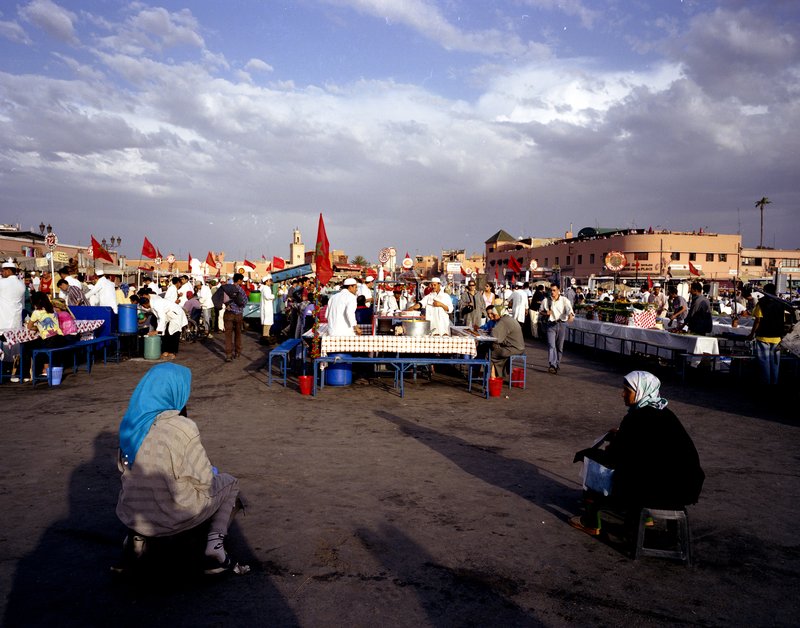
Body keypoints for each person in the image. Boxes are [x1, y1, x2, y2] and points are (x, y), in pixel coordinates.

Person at [115, 363, 245, 574]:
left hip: (134, 514)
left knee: (140, 484)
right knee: (229, 483)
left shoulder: (130, 425)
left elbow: (123, 469)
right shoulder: (182, 428)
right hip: (174, 515)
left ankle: (136, 539)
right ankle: (215, 546)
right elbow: (204, 481)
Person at [569, 371, 705, 537]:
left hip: (661, 490)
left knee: (592, 459)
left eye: (628, 390)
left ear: (641, 391)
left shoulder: (636, 418)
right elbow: (649, 446)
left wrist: (603, 450)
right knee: (645, 468)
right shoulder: (664, 412)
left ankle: (591, 521)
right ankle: (645, 517)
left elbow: (618, 456)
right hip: (687, 487)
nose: (622, 394)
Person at [748, 283, 792, 386]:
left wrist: (751, 334)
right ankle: (774, 384)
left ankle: (766, 385)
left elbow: (757, 320)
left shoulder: (761, 303)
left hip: (763, 336)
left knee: (764, 363)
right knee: (775, 362)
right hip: (776, 337)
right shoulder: (781, 303)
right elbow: (784, 320)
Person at [19, 291, 63, 381]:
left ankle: (32, 372)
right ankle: (44, 368)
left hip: (49, 340)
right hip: (59, 338)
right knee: (38, 345)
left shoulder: (36, 312)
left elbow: (29, 326)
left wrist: (37, 327)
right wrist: (40, 326)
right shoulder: (52, 310)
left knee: (28, 346)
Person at [139, 293, 187, 359]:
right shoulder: (153, 304)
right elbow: (159, 317)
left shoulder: (156, 305)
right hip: (170, 316)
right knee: (166, 334)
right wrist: (159, 330)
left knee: (174, 333)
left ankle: (172, 352)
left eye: (143, 306)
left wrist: (157, 331)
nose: (144, 307)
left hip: (176, 315)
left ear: (144, 305)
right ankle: (166, 351)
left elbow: (162, 317)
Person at [483, 302, 525, 378]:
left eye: (494, 315)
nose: (493, 316)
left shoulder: (503, 321)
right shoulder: (508, 319)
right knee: (495, 350)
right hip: (517, 347)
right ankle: (498, 374)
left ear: (499, 314)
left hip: (514, 348)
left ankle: (493, 377)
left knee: (490, 353)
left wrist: (493, 330)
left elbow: (495, 336)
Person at [540, 283, 574, 374]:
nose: (552, 292)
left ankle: (557, 363)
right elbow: (540, 311)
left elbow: (568, 309)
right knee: (551, 346)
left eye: (554, 290)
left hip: (561, 324)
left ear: (559, 290)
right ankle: (552, 364)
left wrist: (570, 315)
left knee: (559, 347)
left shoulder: (564, 300)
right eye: (551, 290)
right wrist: (545, 313)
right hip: (550, 325)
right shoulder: (546, 301)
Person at [220, 273, 248, 361]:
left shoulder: (227, 289)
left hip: (228, 313)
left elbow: (222, 299)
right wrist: (239, 307)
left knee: (228, 335)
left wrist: (227, 305)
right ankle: (237, 352)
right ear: (239, 280)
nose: (242, 282)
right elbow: (245, 301)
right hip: (238, 314)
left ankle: (228, 355)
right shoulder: (241, 290)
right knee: (238, 333)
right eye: (242, 280)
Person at [0, 259, 25, 330]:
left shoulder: (2, 282)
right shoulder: (21, 284)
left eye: (3, 271)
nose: (1, 273)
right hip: (16, 321)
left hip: (3, 321)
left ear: (8, 271)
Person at [259, 274, 275, 343]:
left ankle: (266, 336)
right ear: (266, 281)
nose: (270, 282)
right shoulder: (266, 288)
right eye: (269, 281)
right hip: (267, 309)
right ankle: (265, 337)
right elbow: (268, 296)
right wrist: (273, 296)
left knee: (267, 323)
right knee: (267, 323)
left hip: (266, 307)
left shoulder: (264, 288)